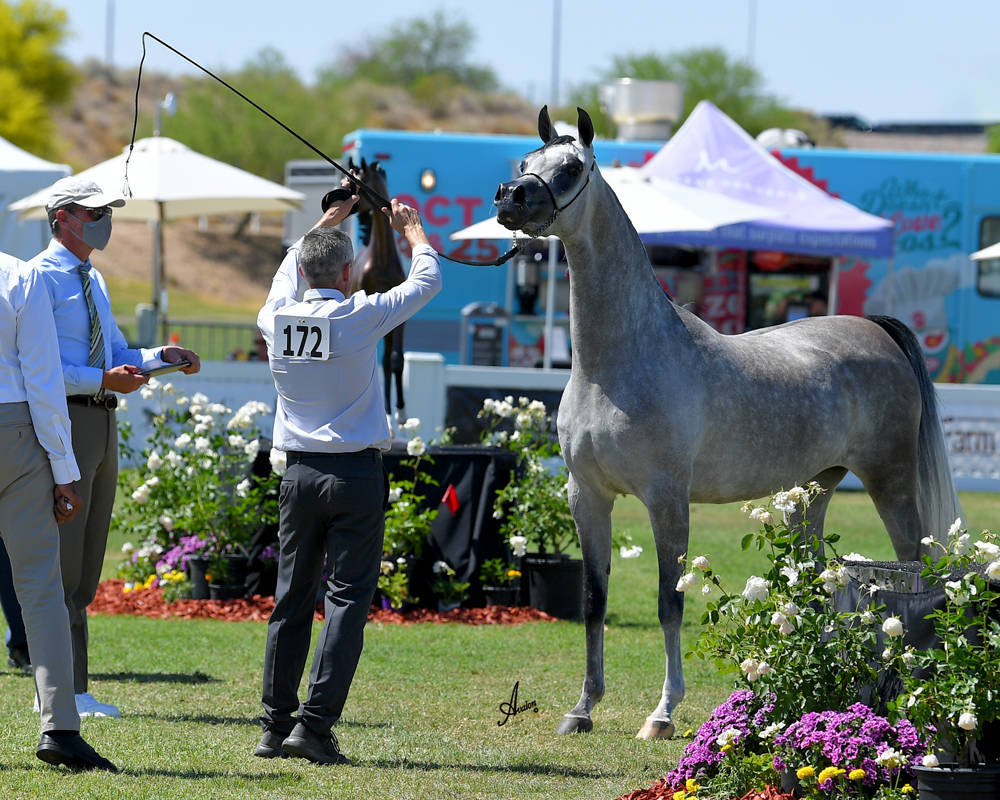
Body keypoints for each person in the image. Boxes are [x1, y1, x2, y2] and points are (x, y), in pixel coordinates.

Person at [255, 194, 441, 764]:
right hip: (355, 474)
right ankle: (313, 727)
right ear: (345, 274)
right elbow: (426, 282)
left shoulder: (275, 318)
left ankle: (274, 725)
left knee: (291, 598)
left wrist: (322, 225)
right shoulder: (358, 315)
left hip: (298, 473)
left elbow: (287, 272)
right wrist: (413, 232)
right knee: (346, 601)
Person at [30, 175, 201, 718]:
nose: (105, 220)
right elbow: (43, 368)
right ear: (62, 217)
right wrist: (104, 380)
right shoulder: (38, 279)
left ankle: (70, 688)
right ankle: (61, 693)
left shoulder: (94, 279)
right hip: (66, 422)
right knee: (62, 563)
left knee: (86, 563)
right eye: (94, 212)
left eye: (107, 211)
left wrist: (160, 357)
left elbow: (118, 352)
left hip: (102, 422)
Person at [0, 250, 117, 771]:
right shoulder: (19, 274)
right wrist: (64, 467)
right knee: (41, 590)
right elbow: (42, 377)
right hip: (16, 430)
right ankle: (60, 728)